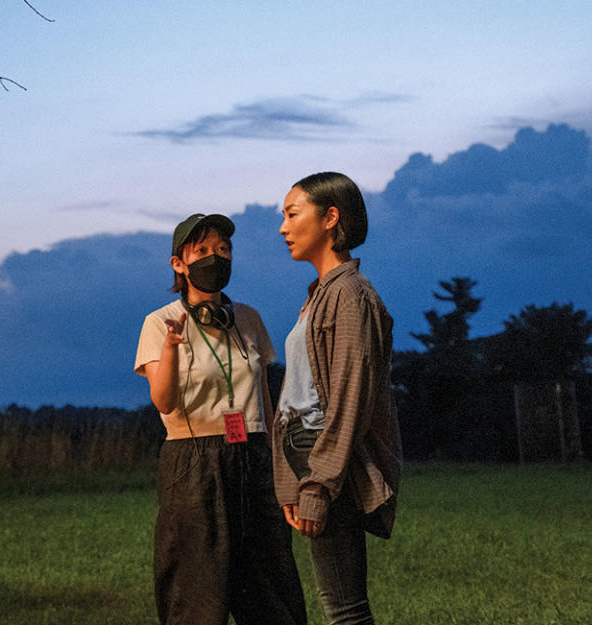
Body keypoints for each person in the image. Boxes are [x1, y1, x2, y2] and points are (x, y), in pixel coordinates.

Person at [135, 213, 307, 625]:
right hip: (193, 460)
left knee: (271, 586)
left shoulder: (247, 319)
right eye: (203, 251)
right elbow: (163, 401)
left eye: (223, 249)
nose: (216, 257)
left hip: (252, 453)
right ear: (179, 263)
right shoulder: (159, 323)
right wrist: (173, 347)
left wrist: (277, 458)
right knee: (197, 591)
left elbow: (264, 395)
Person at [273, 172, 402, 625]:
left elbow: (349, 401)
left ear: (331, 217)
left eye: (292, 214)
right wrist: (294, 481)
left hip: (331, 464)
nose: (284, 228)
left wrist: (320, 486)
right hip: (310, 459)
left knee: (344, 610)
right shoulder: (318, 296)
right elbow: (297, 397)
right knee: (338, 605)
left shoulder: (349, 295)